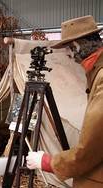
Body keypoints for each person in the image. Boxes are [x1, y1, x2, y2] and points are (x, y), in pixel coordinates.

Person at [26, 15, 103, 187]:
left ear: (76, 45)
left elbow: (91, 148)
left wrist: (48, 162)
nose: (68, 54)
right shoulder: (95, 72)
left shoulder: (101, 77)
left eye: (68, 48)